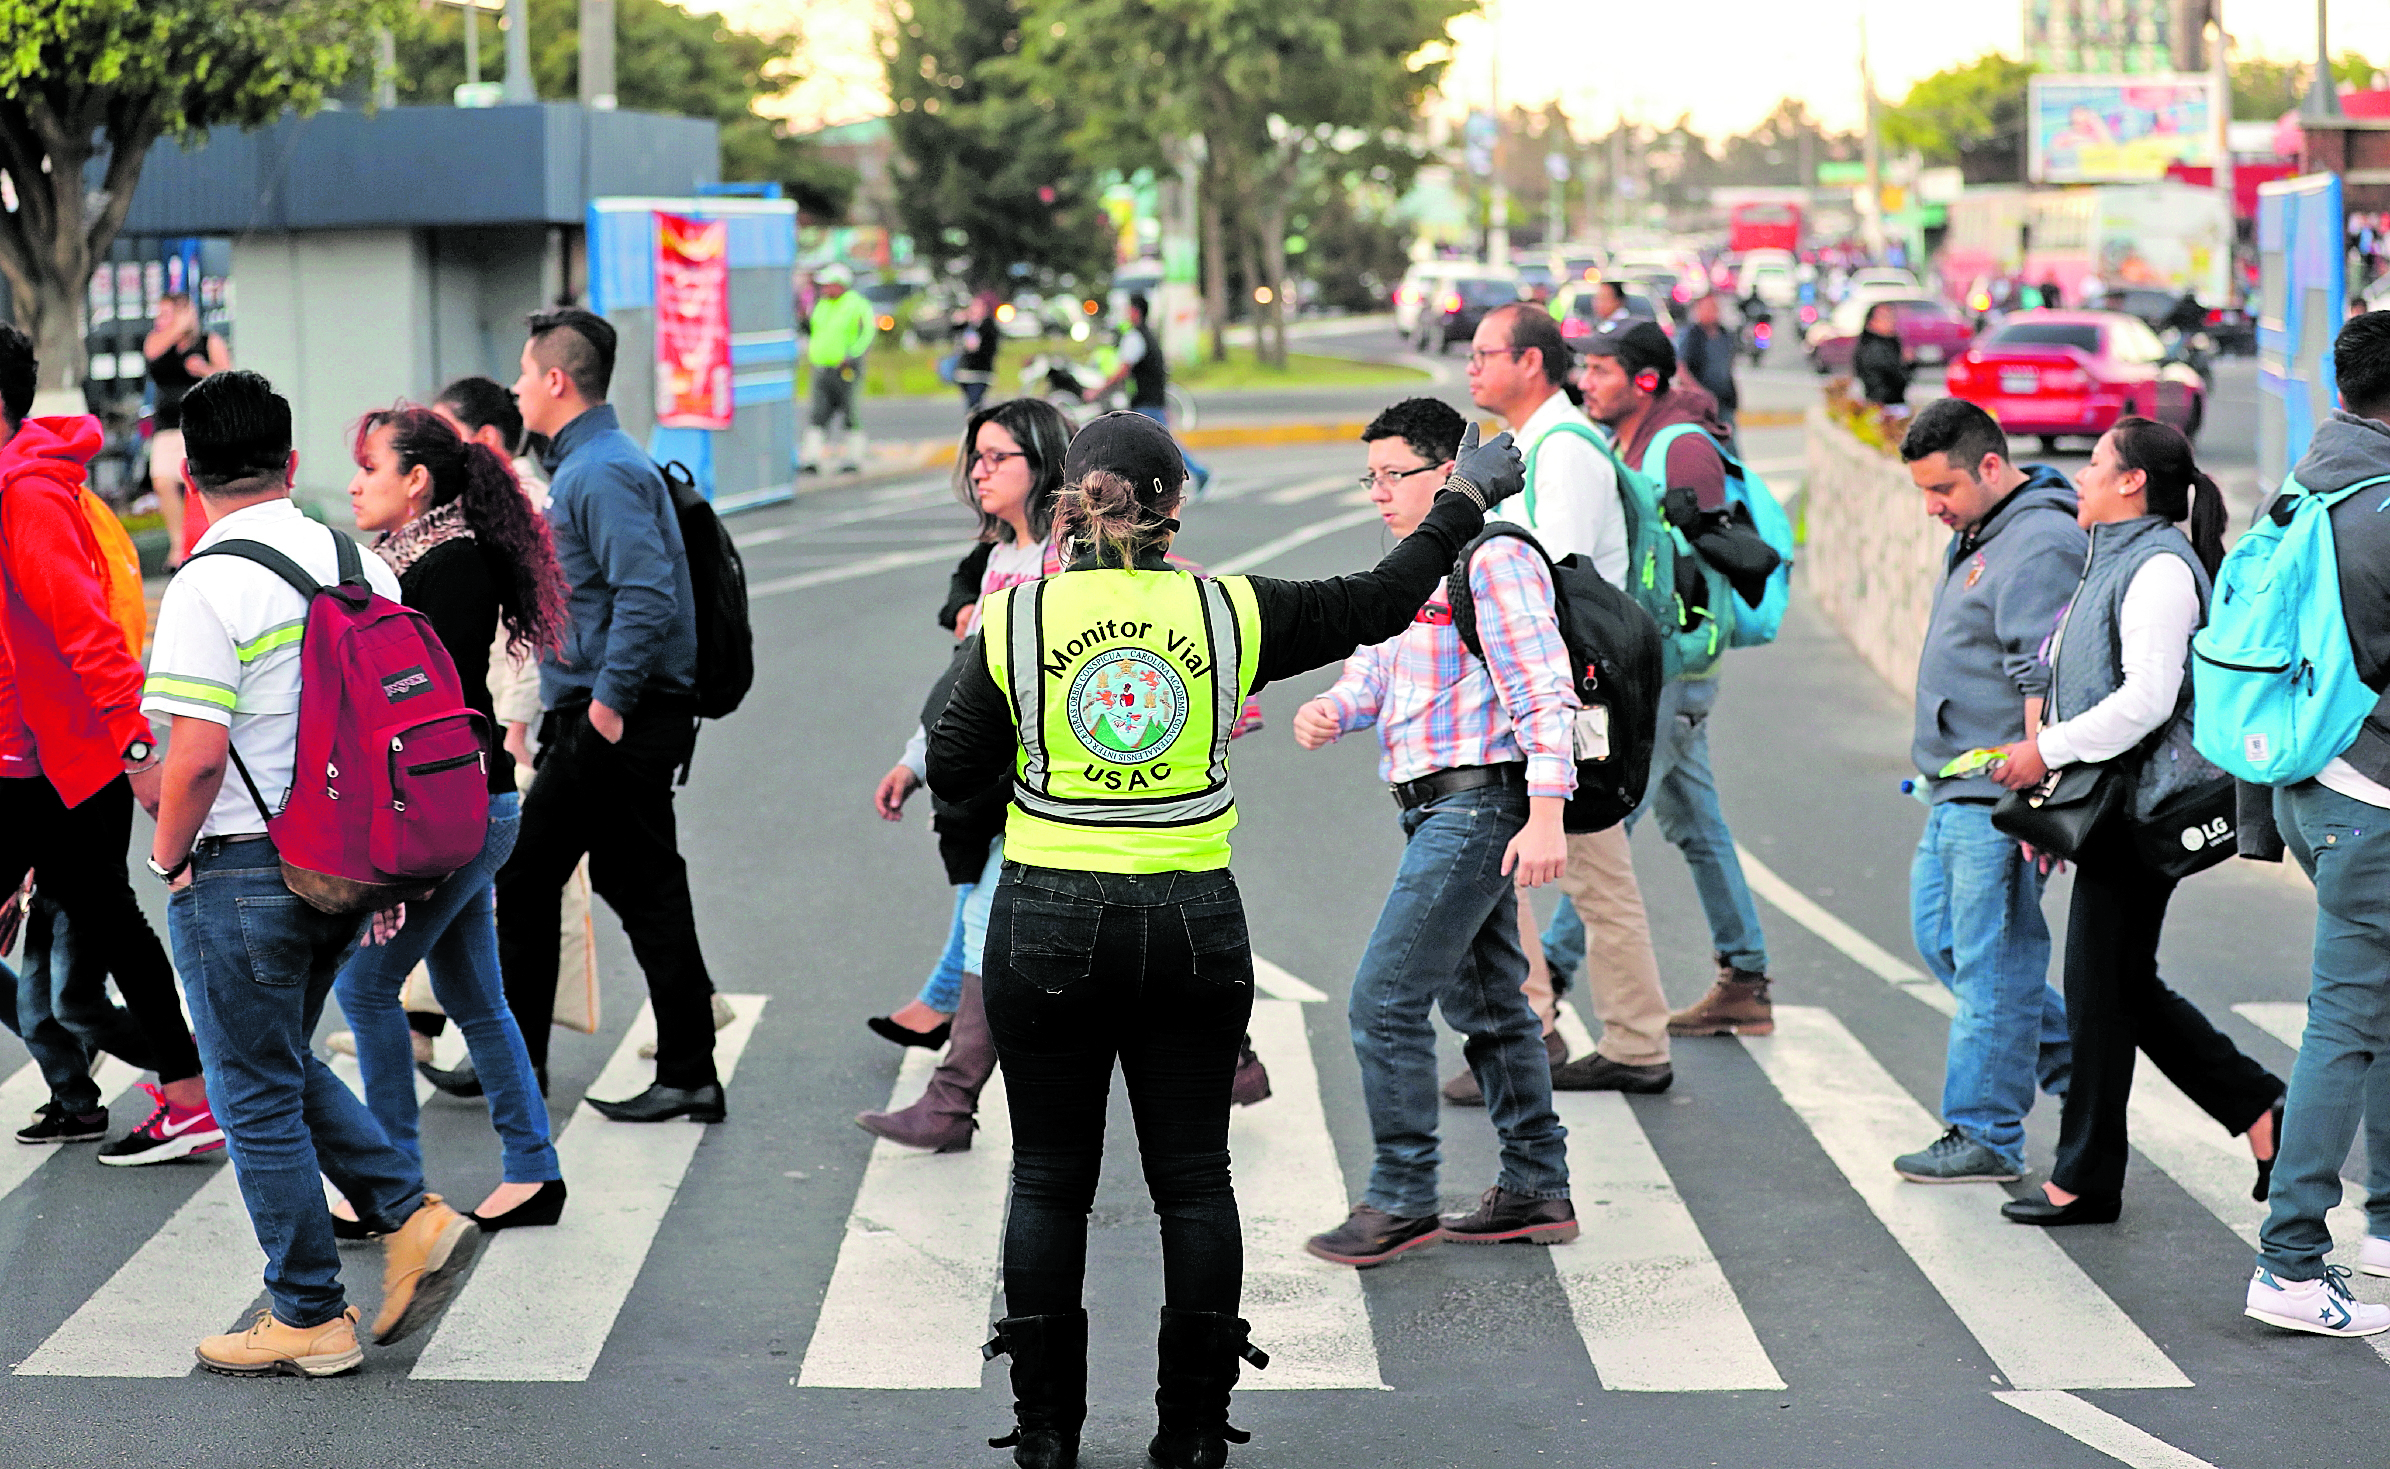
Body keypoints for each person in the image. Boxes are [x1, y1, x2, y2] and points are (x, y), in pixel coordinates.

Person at [926, 411, 1524, 1469]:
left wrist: (1013, 805)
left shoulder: (1017, 619)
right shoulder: (1226, 610)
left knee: (1048, 1178)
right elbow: (1382, 601)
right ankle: (1194, 1431)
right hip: (1190, 916)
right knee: (1193, 1180)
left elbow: (956, 759)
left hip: (1049, 912)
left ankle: (1046, 1431)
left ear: (1069, 502)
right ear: (1173, 511)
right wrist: (1463, 498)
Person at [142, 370, 480, 1377]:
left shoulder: (208, 579)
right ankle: (408, 1215)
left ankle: (308, 1312)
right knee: (277, 1056)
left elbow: (197, 756)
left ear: (191, 477)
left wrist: (169, 856)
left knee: (250, 1089)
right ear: (290, 463)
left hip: (243, 868)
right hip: (343, 865)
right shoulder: (356, 561)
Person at [1294, 396, 1580, 1270]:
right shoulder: (1412, 566)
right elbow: (1377, 670)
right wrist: (1333, 708)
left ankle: (1403, 1195)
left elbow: (1544, 688)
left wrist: (1545, 814)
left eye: (1395, 475)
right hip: (1429, 804)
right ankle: (1537, 1183)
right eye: (1369, 477)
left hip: (1479, 804)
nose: (1379, 493)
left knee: (1383, 999)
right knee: (1490, 1006)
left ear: (1448, 474)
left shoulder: (1494, 562)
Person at [1980, 418, 2283, 1227]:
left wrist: (2045, 752)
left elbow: (2147, 698)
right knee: (2117, 987)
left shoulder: (2156, 569)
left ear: (2132, 484)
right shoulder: (2114, 558)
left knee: (2099, 992)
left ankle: (2088, 1175)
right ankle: (2257, 1108)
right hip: (2112, 804)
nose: (2079, 476)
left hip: (2140, 810)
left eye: (2095, 464)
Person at [330, 404, 571, 1231]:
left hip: (453, 810)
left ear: (417, 480)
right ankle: (535, 1169)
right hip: (461, 803)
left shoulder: (451, 566)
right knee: (475, 994)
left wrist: (397, 862)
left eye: (371, 468)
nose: (357, 485)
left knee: (365, 986)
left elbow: (425, 714)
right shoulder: (408, 559)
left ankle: (389, 1186)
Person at [498, 307, 724, 1122]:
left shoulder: (600, 471)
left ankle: (518, 1077)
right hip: (613, 712)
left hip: (614, 717)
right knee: (643, 882)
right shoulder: (592, 464)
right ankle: (690, 1067)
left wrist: (604, 710)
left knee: (523, 879)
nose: (517, 389)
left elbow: (647, 593)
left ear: (557, 380)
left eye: (525, 375)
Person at [0, 323, 218, 1163]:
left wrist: (136, 750)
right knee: (107, 925)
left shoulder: (28, 495)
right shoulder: (17, 483)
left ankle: (191, 1094)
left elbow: (85, 628)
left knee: (111, 921)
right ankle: (177, 1092)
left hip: (58, 759)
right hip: (38, 755)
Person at [1460, 302, 1673, 1098]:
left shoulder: (1565, 450)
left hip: (1577, 693)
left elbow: (1554, 576)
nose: (1472, 367)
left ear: (1532, 363)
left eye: (1486, 352)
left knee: (1591, 867)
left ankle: (1618, 1037)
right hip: (1550, 686)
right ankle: (1543, 1027)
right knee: (1530, 862)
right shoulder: (1529, 445)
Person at [860, 399, 1072, 1150]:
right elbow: (968, 684)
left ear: (1043, 464)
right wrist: (915, 760)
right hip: (999, 781)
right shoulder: (999, 562)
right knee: (1002, 918)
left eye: (997, 457)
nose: (978, 471)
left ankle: (950, 1101)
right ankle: (1233, 1059)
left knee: (993, 919)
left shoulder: (1066, 560)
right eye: (975, 457)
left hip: (1052, 782)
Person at [2242, 310, 2390, 1337]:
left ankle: (2384, 1223)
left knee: (2372, 1002)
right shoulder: (2380, 506)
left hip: (2306, 784)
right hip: (2369, 796)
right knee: (2343, 1017)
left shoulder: (2301, 488)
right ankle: (2289, 1261)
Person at [1573, 319, 1777, 1040]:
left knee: (1601, 825)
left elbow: (1719, 558)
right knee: (1697, 823)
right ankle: (1746, 977)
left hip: (1671, 668)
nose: (1586, 382)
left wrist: (1695, 523)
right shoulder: (1627, 438)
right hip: (1655, 664)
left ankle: (1540, 1001)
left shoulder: (1682, 445)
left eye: (1600, 371)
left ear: (1647, 381)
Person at [1895, 398, 2081, 1183]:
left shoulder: (2038, 540)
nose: (1932, 508)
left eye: (1943, 490)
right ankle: (2084, 1067)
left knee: (1992, 958)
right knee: (1945, 939)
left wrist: (2038, 803)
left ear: (1992, 467)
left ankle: (1986, 1131)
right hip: (1953, 782)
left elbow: (2041, 671)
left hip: (1998, 791)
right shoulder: (1985, 529)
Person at [142, 291, 230, 569]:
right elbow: (152, 353)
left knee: (200, 485)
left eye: (168, 313)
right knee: (162, 481)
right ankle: (178, 545)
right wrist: (177, 327)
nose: (161, 320)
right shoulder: (159, 341)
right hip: (167, 424)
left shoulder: (207, 341)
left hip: (201, 422)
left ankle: (207, 541)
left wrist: (204, 369)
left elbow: (227, 376)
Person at [1090, 293, 1209, 493]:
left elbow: (1122, 371)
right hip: (1151, 399)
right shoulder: (1148, 335)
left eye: (1128, 309)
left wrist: (1097, 391)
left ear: (1136, 311)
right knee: (1155, 443)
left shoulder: (1136, 337)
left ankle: (1197, 472)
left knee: (1160, 444)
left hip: (1146, 401)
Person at [803, 263, 875, 475]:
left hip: (846, 368)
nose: (824, 289)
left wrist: (853, 355)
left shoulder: (857, 304)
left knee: (850, 412)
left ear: (841, 285)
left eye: (829, 284)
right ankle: (812, 457)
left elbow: (867, 333)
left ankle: (853, 457)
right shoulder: (821, 305)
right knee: (817, 413)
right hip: (821, 366)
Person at [1674, 292, 1739, 432]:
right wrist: (1697, 390)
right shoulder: (1692, 336)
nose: (1711, 312)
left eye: (1714, 307)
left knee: (1729, 443)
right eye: (1706, 308)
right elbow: (1681, 367)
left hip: (1723, 400)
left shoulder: (1725, 334)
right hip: (1699, 402)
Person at [1853, 301, 1910, 411]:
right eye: (1884, 317)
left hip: (1886, 404)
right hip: (1885, 408)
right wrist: (1908, 363)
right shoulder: (1875, 349)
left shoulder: (1889, 344)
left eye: (1891, 316)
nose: (1890, 321)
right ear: (1871, 322)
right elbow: (1897, 379)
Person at [954, 291, 1003, 413]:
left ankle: (975, 427)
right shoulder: (968, 325)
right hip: (965, 371)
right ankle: (974, 426)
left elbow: (989, 348)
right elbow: (953, 330)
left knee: (975, 404)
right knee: (971, 403)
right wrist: (959, 319)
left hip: (980, 371)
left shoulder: (988, 326)